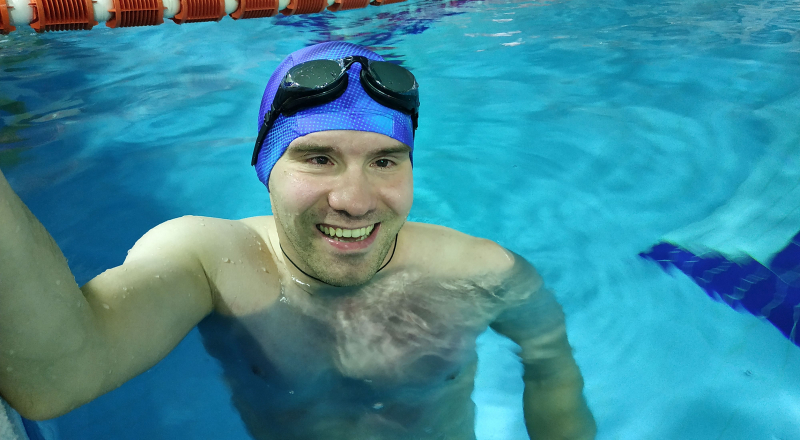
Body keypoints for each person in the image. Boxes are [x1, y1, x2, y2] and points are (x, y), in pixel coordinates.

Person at [0, 42, 596, 440]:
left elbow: (552, 371)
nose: (355, 200)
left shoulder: (484, 272)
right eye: (318, 158)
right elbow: (57, 380)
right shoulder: (212, 263)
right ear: (267, 169)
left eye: (385, 161)